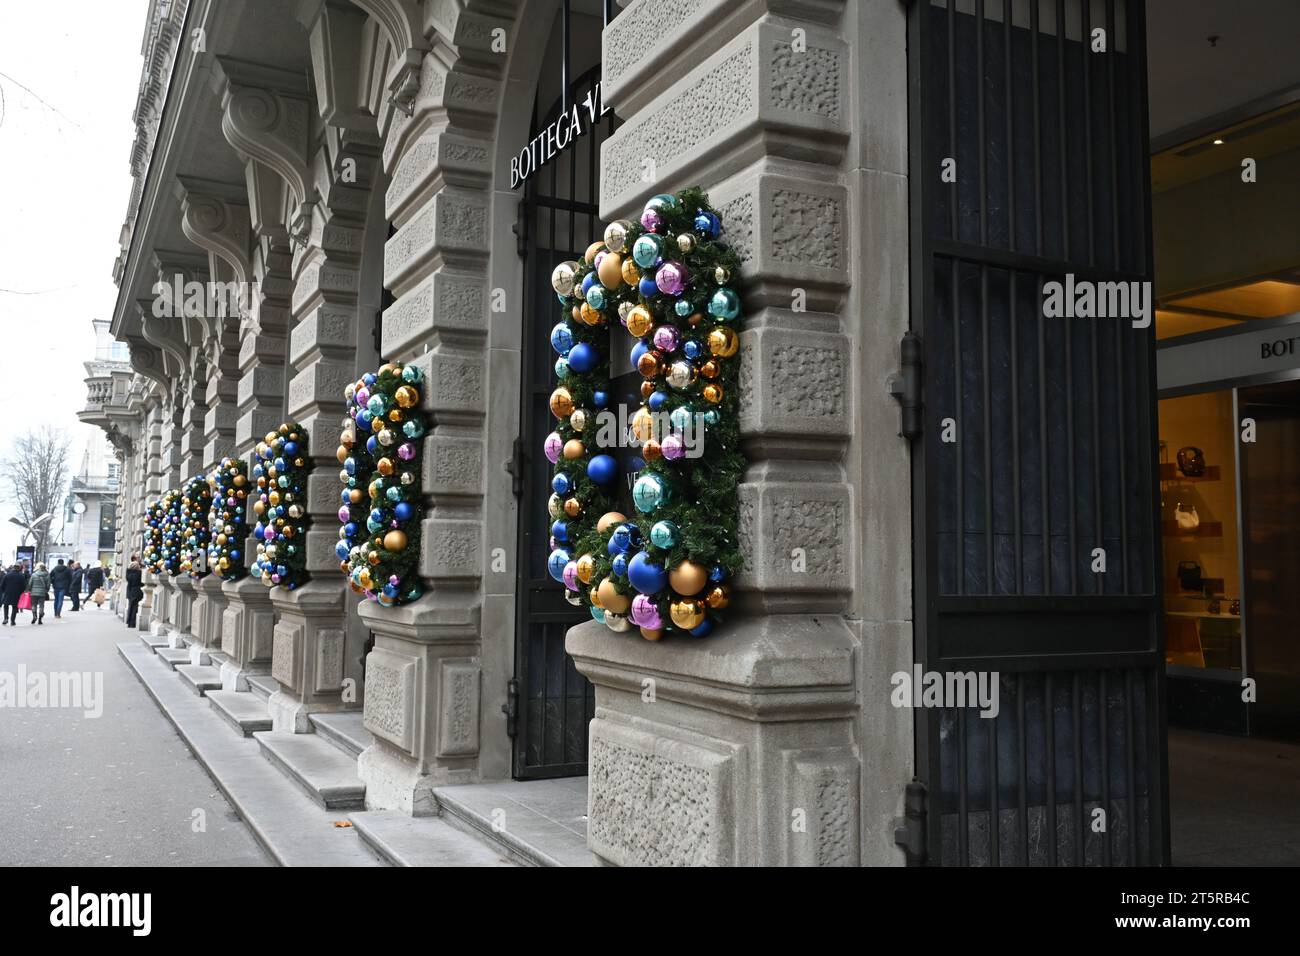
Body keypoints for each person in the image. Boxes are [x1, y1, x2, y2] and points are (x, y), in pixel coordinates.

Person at [125, 556, 143, 630]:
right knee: (135, 608)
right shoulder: (138, 573)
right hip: (137, 591)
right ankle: (132, 623)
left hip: (130, 591)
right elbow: (140, 582)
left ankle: (129, 622)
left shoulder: (128, 573)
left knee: (131, 607)